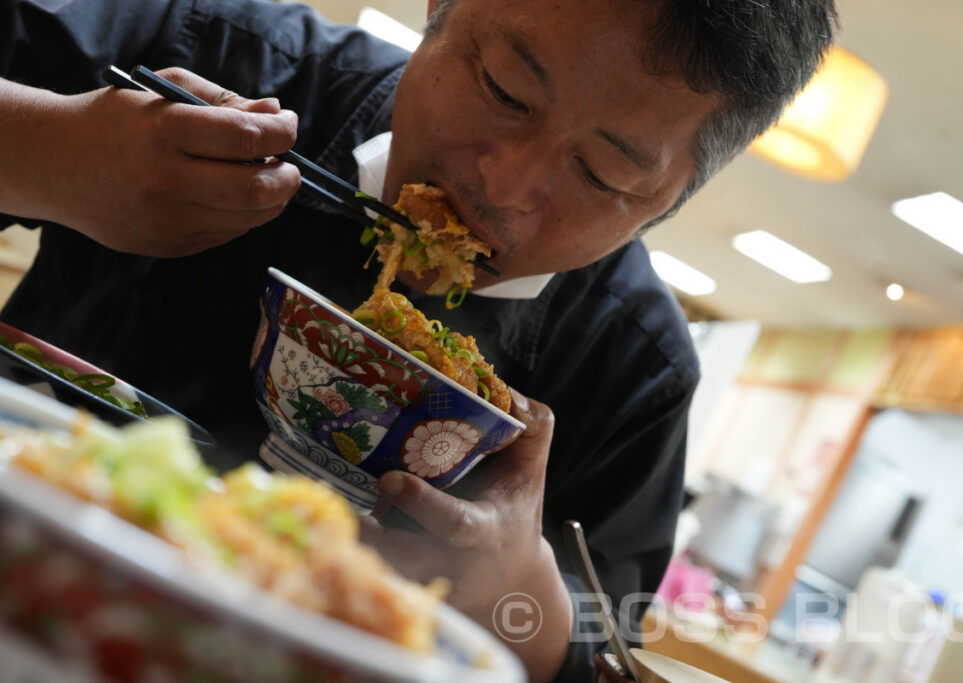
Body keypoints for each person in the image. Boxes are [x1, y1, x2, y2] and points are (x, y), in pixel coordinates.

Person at [0, 0, 835, 679]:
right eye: (506, 88)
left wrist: (522, 591)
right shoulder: (227, 57)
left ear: (668, 199)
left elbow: (601, 638)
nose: (503, 186)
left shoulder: (635, 365)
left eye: (601, 174)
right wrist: (46, 152)